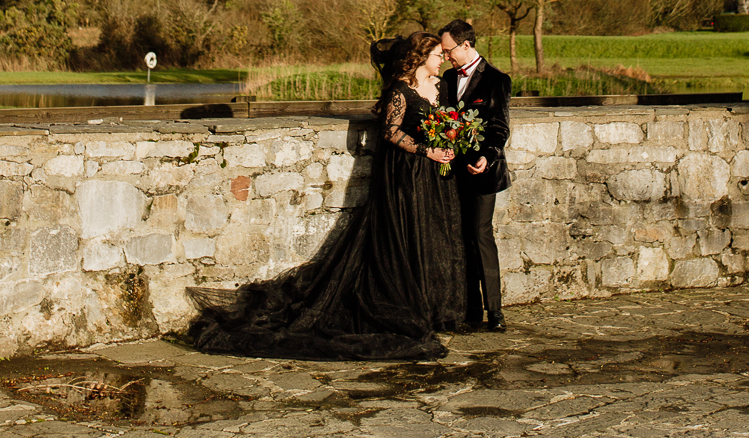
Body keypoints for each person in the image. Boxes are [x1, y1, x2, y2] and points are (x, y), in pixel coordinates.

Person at [187, 31, 466, 360]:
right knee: (404, 236)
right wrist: (425, 150)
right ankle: (408, 307)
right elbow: (390, 131)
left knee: (433, 236)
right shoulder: (400, 90)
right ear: (419, 58)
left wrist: (451, 139)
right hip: (406, 174)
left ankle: (434, 307)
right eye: (436, 55)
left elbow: (449, 121)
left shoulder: (441, 87)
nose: (441, 60)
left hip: (435, 177)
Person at [439, 18, 510, 331]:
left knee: (481, 235)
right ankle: (469, 312)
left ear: (465, 45)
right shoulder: (447, 79)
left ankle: (494, 312)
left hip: (484, 171)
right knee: (460, 237)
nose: (445, 57)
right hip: (452, 171)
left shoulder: (496, 79)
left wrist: (486, 156)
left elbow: (499, 127)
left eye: (448, 50)